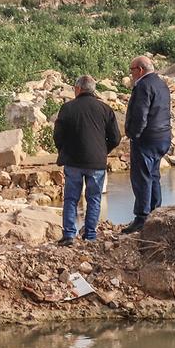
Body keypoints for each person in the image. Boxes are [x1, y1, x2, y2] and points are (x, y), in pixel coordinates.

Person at [53, 75, 121, 246]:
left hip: (73, 161)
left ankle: (69, 234)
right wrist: (103, 151)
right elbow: (115, 138)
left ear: (78, 89)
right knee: (94, 199)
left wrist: (63, 150)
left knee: (70, 198)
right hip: (96, 162)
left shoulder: (67, 108)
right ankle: (90, 234)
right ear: (93, 89)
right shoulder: (105, 109)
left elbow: (58, 135)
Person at [122, 56, 172, 234]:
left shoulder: (143, 85)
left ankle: (142, 217)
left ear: (140, 70)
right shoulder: (161, 83)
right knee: (154, 175)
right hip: (163, 136)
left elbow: (140, 114)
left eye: (132, 70)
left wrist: (134, 135)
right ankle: (155, 212)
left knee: (141, 177)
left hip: (147, 138)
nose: (131, 74)